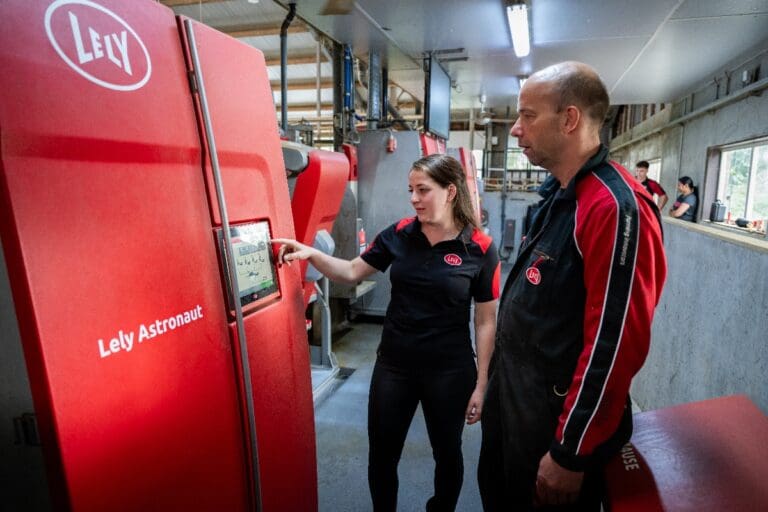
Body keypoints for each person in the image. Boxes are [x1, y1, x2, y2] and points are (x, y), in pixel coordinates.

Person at [478, 61, 667, 511]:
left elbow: (616, 342)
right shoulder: (559, 196)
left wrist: (571, 452)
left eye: (528, 116)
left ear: (570, 119)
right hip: (516, 406)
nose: (516, 131)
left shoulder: (614, 209)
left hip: (555, 427)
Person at [274, 153, 500, 512]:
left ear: (451, 192)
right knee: (382, 455)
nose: (414, 198)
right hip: (395, 366)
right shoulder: (399, 233)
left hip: (450, 370)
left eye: (423, 190)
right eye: (411, 189)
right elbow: (350, 271)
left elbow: (486, 321)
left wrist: (482, 383)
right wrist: (308, 254)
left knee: (448, 454)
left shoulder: (480, 249)